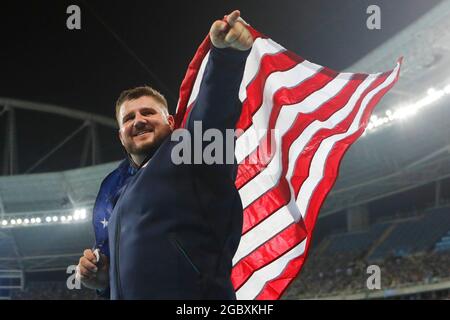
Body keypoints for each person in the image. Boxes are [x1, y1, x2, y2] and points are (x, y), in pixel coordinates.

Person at [76, 10, 253, 299]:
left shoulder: (189, 155)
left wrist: (227, 59)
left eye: (148, 112)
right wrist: (102, 282)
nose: (138, 120)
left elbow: (212, 114)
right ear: (121, 136)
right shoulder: (120, 195)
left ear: (171, 123)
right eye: (128, 118)